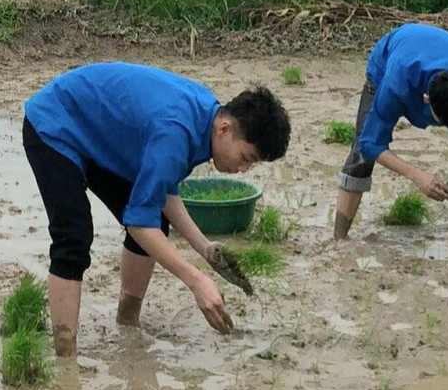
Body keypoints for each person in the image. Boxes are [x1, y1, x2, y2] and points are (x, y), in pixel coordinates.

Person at [22, 62, 291, 357]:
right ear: (225, 129)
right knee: (73, 238)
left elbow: (162, 187)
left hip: (99, 133)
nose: (242, 169)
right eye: (245, 157)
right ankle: (65, 359)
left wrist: (206, 249)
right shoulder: (176, 129)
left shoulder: (206, 117)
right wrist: (196, 280)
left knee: (157, 222)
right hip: (55, 123)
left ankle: (127, 324)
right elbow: (138, 222)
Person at [333, 23, 448, 245]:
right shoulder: (396, 84)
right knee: (360, 157)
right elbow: (370, 143)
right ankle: (339, 241)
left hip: (437, 61)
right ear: (426, 101)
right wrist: (418, 177)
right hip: (390, 60)